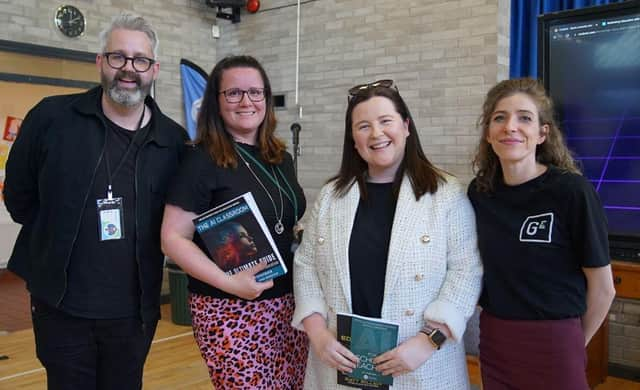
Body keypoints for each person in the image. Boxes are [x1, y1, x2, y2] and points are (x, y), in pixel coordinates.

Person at [2, 13, 187, 390]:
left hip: (133, 314)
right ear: (100, 61)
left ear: (154, 70)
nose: (129, 69)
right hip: (61, 307)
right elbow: (19, 197)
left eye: (140, 60)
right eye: (118, 57)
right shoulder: (51, 118)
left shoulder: (174, 140)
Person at [291, 80, 483, 389]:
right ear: (354, 140)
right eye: (363, 126)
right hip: (340, 359)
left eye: (385, 121)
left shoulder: (445, 194)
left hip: (420, 363)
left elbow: (466, 270)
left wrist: (427, 342)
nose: (376, 134)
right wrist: (317, 332)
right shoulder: (331, 196)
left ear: (406, 126)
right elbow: (306, 264)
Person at [160, 55, 308, 389]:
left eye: (256, 92)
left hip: (288, 304)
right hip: (229, 308)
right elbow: (172, 239)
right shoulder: (200, 160)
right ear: (215, 101)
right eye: (234, 93)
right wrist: (231, 284)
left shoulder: (280, 158)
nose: (247, 101)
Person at [467, 78, 616, 389]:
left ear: (542, 133)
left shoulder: (571, 191)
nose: (510, 126)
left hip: (556, 341)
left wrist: (574, 343)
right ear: (489, 133)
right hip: (495, 339)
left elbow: (603, 289)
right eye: (500, 117)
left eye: (524, 117)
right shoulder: (479, 193)